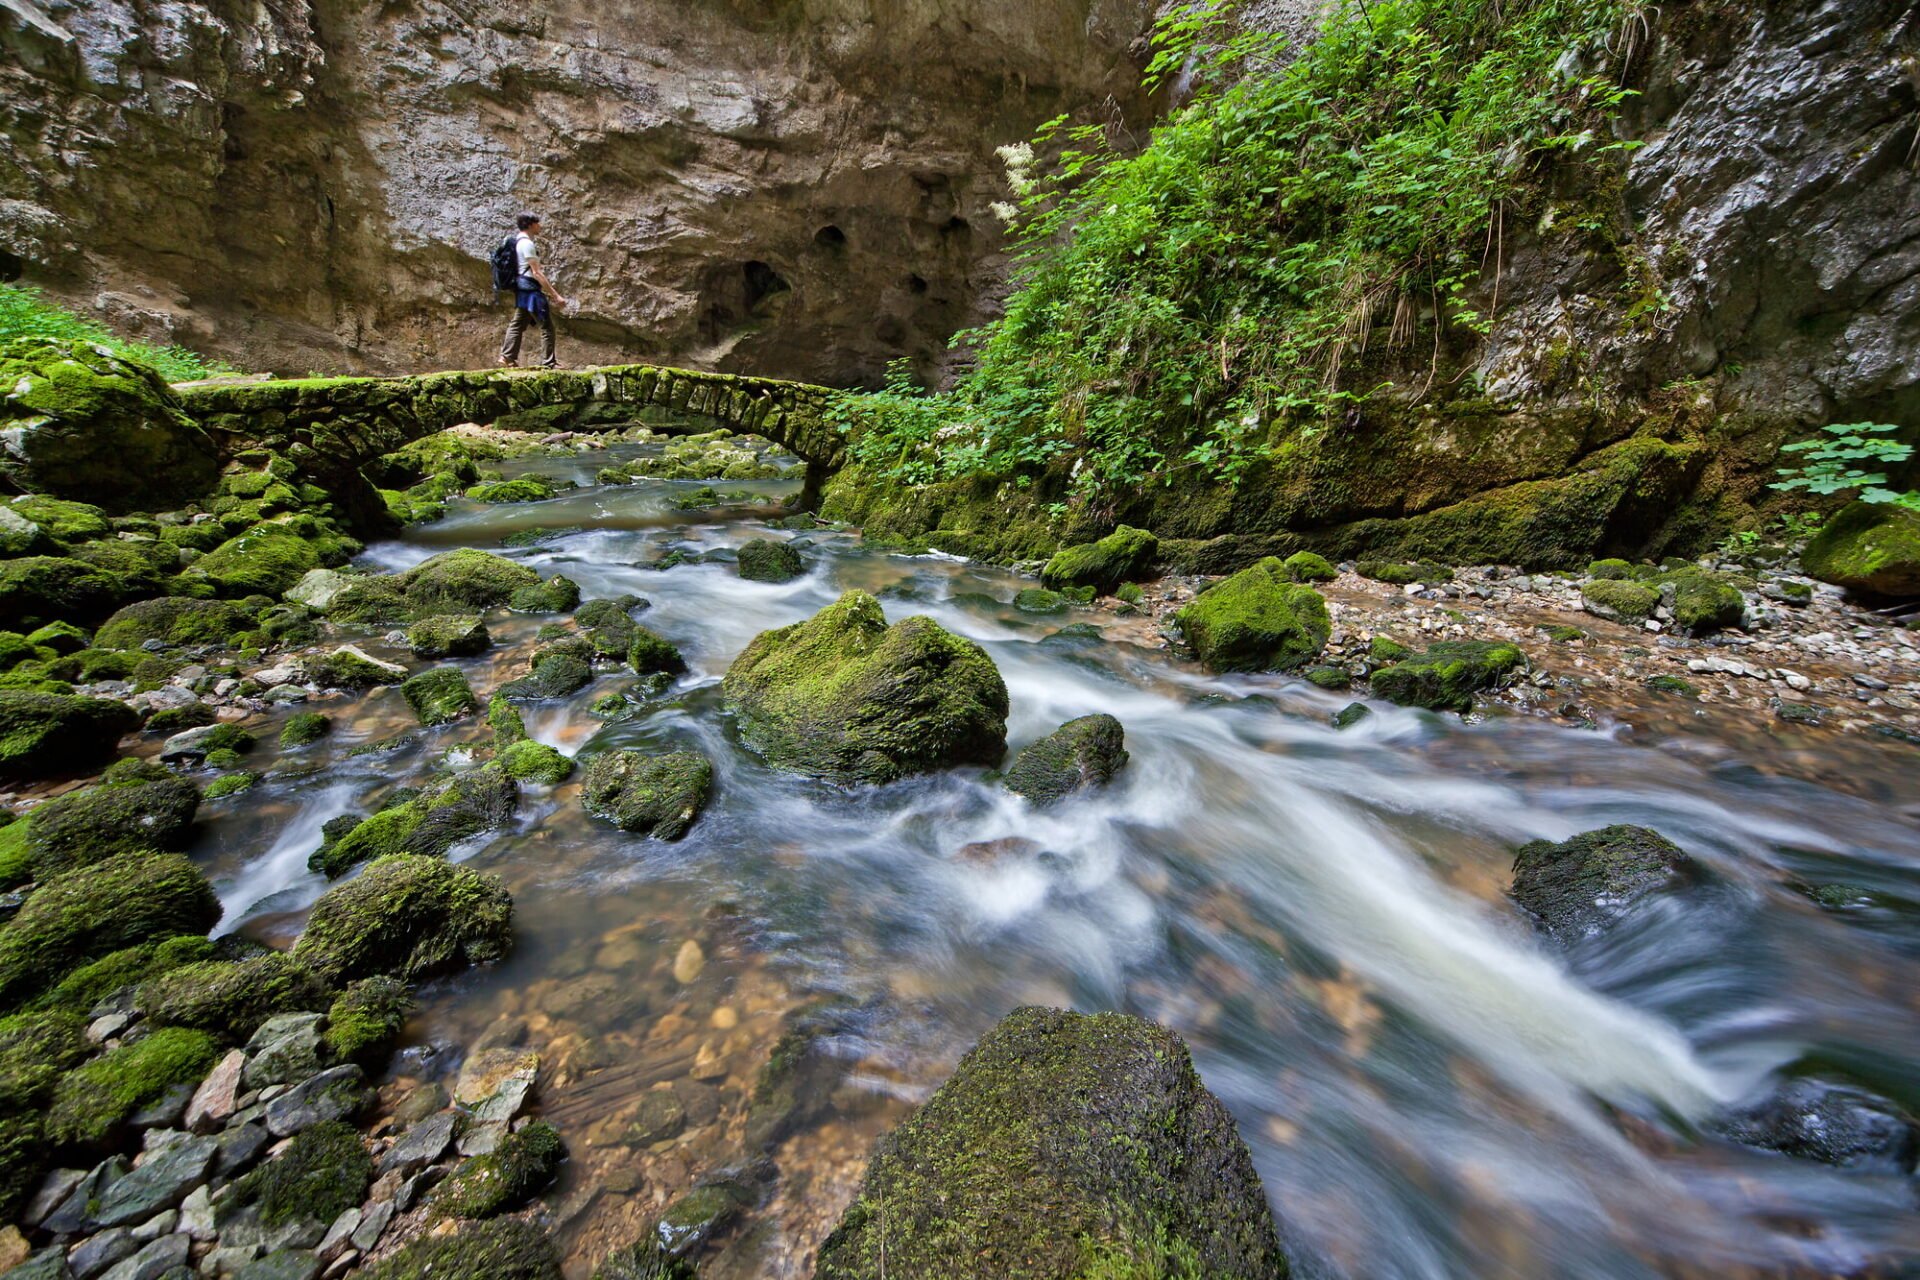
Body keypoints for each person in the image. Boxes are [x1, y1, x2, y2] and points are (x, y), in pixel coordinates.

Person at [499, 212, 569, 369]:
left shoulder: (516, 241)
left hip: (521, 288)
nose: (540, 226)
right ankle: (549, 363)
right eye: (537, 223)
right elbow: (536, 273)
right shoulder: (527, 244)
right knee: (547, 327)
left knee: (518, 323)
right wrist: (555, 295)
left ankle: (507, 356)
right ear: (530, 224)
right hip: (530, 290)